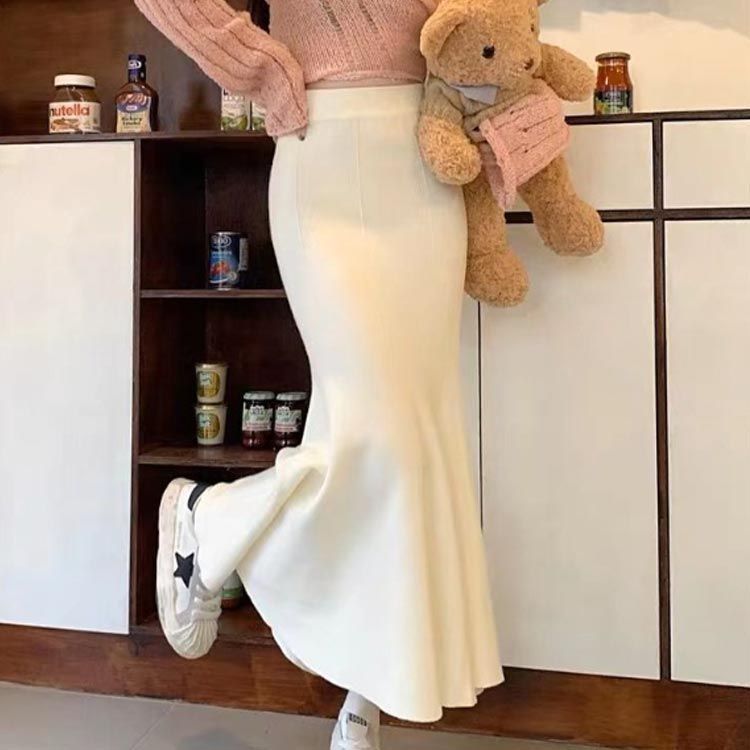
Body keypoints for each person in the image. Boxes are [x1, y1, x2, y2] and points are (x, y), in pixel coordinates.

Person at [133, 1, 504, 748]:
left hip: (429, 159)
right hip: (325, 151)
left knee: (418, 437)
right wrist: (257, 65)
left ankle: (365, 700)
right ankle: (209, 519)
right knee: (378, 432)